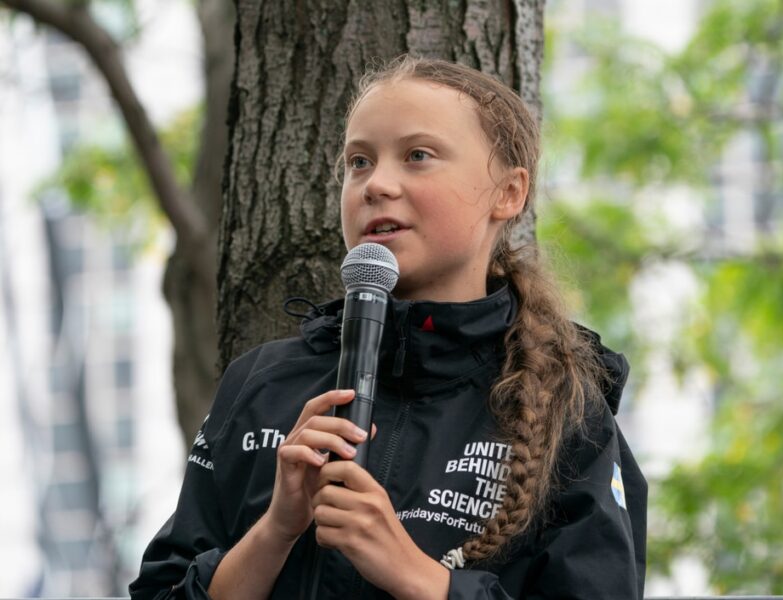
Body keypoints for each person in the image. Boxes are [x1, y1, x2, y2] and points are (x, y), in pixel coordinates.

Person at [130, 55, 647, 599]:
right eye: (358, 162)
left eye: (418, 156)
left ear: (509, 193)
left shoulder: (569, 408)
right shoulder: (261, 382)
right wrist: (275, 532)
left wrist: (421, 578)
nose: (376, 184)